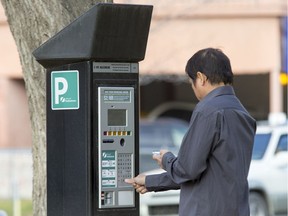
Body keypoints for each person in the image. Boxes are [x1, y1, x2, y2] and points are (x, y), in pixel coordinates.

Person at [125, 48, 257, 216]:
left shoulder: (207, 110)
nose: (193, 87)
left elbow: (188, 170)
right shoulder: (243, 114)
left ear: (201, 78)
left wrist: (166, 159)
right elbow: (206, 173)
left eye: (191, 81)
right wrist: (151, 182)